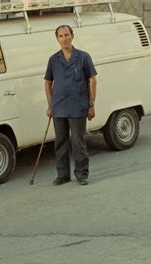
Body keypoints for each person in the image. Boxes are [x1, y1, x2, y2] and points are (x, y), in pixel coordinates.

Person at [44, 25, 97, 186]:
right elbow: (47, 83)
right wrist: (50, 105)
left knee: (77, 143)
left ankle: (81, 174)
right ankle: (63, 175)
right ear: (57, 39)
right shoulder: (53, 60)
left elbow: (92, 80)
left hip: (78, 107)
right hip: (59, 108)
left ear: (72, 36)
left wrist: (91, 104)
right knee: (60, 143)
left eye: (67, 35)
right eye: (61, 36)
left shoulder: (83, 57)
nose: (64, 38)